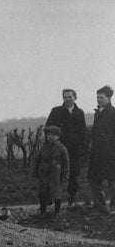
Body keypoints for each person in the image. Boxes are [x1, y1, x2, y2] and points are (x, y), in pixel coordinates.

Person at [45, 89, 88, 207]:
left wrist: (83, 147)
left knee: (73, 175)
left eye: (70, 97)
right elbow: (48, 128)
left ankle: (72, 199)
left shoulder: (79, 113)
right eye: (65, 97)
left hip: (74, 150)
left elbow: (83, 132)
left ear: (75, 97)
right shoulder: (56, 111)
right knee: (55, 174)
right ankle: (51, 201)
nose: (67, 99)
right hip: (58, 149)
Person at [32, 126, 70, 221]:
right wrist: (35, 172)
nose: (50, 137)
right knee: (42, 192)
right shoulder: (44, 148)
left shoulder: (62, 148)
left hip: (56, 174)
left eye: (53, 135)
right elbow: (38, 160)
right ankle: (43, 212)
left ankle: (56, 213)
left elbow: (66, 163)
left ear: (58, 136)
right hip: (43, 173)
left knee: (57, 193)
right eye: (48, 135)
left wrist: (66, 175)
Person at [87, 85, 115, 214]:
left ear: (109, 98)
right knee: (93, 179)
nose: (98, 100)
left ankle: (113, 207)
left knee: (113, 180)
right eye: (97, 97)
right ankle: (101, 208)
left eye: (101, 97)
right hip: (96, 153)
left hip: (110, 153)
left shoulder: (113, 113)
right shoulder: (97, 113)